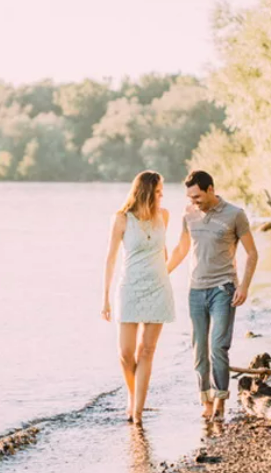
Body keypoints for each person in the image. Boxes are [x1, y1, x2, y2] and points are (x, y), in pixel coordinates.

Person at [167, 170, 258, 422]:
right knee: (199, 349)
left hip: (223, 289)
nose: (193, 201)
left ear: (210, 189)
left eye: (197, 196)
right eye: (190, 197)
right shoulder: (189, 214)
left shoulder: (235, 214)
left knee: (218, 346)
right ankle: (205, 400)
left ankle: (220, 400)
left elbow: (252, 253)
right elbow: (181, 249)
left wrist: (244, 286)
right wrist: (163, 273)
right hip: (195, 290)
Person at [102, 171, 175, 426]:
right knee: (125, 353)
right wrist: (105, 298)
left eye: (162, 192)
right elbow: (110, 259)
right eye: (157, 192)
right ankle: (133, 394)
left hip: (158, 289)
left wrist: (161, 272)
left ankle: (138, 411)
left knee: (147, 351)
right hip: (129, 289)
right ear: (145, 192)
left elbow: (163, 252)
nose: (161, 196)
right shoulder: (121, 219)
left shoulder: (164, 216)